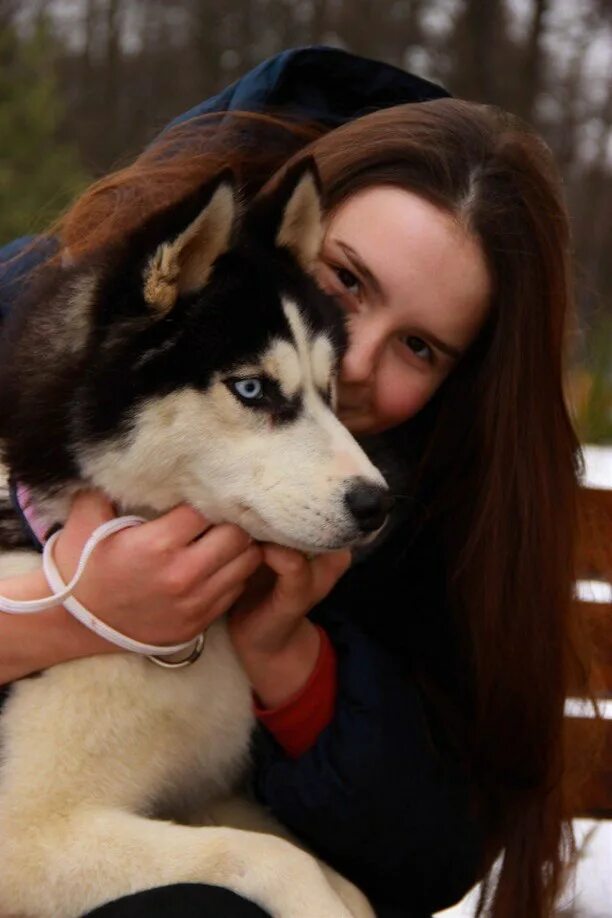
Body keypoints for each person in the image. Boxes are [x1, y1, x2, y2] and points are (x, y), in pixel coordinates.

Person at [0, 47, 583, 918]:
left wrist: (292, 661)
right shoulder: (45, 311)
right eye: (344, 280)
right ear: (293, 232)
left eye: (419, 346)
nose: (348, 359)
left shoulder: (441, 511)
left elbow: (433, 849)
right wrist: (54, 615)